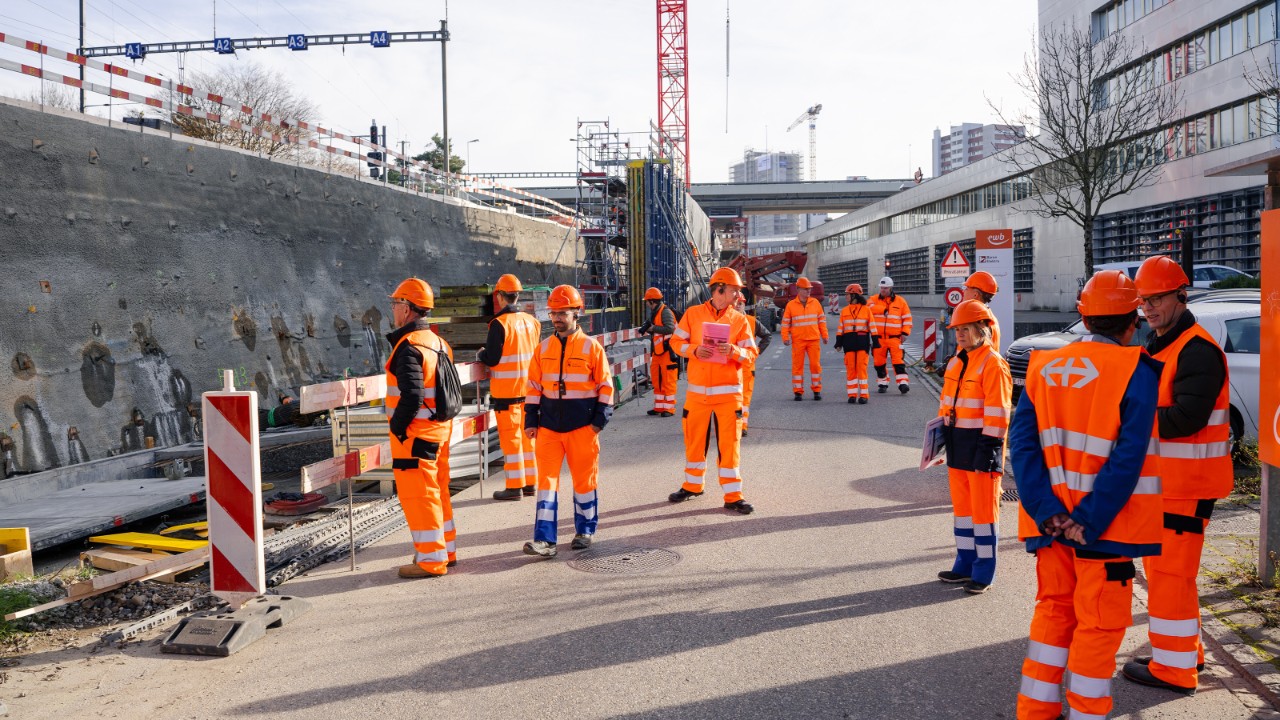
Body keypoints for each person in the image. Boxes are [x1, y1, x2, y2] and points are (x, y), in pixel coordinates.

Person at [1011, 270, 1163, 720]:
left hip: (1051, 529)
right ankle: (1087, 714)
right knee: (1098, 624)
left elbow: (1022, 447)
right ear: (1130, 322)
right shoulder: (1136, 370)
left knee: (1054, 613)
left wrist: (1048, 512)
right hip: (1105, 532)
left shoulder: (1043, 365)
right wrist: (1088, 519)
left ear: (1084, 318)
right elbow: (1128, 458)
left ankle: (1035, 710)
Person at [1121, 256, 1233, 696]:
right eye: (1143, 300)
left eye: (1156, 299)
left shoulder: (1198, 350)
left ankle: (1173, 670)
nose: (1147, 308)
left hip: (1186, 489)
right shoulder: (1161, 343)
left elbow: (1186, 417)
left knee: (1169, 578)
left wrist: (1130, 416)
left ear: (1180, 295)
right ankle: (1187, 653)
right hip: (1168, 487)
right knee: (1172, 576)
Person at [522, 285, 614, 558]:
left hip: (583, 429)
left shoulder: (591, 348)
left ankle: (584, 531)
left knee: (584, 482)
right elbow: (534, 387)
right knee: (546, 484)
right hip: (549, 429)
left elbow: (606, 387)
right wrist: (530, 420)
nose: (557, 318)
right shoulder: (543, 349)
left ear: (577, 313)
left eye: (562, 313)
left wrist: (598, 422)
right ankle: (545, 541)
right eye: (553, 313)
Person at [667, 267, 759, 514]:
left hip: (728, 396)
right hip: (698, 396)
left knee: (730, 446)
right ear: (719, 289)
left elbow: (752, 354)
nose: (738, 296)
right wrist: (695, 350)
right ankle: (692, 486)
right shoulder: (693, 314)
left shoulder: (739, 320)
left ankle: (733, 495)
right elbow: (675, 342)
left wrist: (735, 351)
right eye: (734, 290)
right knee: (694, 442)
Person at [936, 300, 1012, 594]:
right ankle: (964, 564)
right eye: (957, 329)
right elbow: (946, 404)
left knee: (983, 515)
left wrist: (989, 451)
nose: (960, 334)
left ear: (983, 329)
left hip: (981, 448)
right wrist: (940, 440)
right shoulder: (956, 362)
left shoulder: (993, 364)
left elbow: (998, 412)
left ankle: (983, 571)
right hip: (958, 447)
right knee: (964, 512)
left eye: (966, 329)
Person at [385, 277, 458, 579]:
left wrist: (399, 429)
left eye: (395, 303)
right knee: (438, 493)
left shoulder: (409, 347)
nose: (392, 309)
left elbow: (412, 395)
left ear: (408, 308)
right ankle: (446, 553)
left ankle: (430, 561)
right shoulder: (439, 343)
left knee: (420, 497)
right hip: (438, 432)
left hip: (414, 436)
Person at [477, 274, 542, 501]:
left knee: (511, 440)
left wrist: (481, 354)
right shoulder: (532, 322)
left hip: (508, 393)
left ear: (500, 296)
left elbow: (492, 358)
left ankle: (514, 487)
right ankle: (531, 484)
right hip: (530, 392)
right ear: (518, 295)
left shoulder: (499, 324)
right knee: (528, 439)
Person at [781, 277, 828, 400]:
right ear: (798, 290)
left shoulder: (815, 303)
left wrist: (825, 335)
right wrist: (785, 337)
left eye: (809, 289)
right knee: (797, 366)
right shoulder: (791, 305)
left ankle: (817, 390)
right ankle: (798, 391)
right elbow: (785, 323)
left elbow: (821, 321)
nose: (808, 291)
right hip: (798, 340)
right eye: (806, 289)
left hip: (813, 340)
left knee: (815, 366)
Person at [869, 276, 913, 394]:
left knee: (898, 362)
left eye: (885, 288)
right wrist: (883, 309)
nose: (883, 290)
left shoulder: (900, 301)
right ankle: (883, 383)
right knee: (879, 363)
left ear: (891, 288)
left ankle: (903, 383)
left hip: (895, 338)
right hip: (879, 339)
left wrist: (905, 333)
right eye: (881, 288)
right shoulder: (873, 299)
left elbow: (907, 319)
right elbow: (868, 309)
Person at [735, 295, 771, 436]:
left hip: (747, 367)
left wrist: (757, 352)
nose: (737, 305)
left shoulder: (752, 321)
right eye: (736, 303)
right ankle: (732, 424)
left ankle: (742, 426)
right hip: (729, 367)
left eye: (740, 303)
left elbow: (767, 336)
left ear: (744, 305)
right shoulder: (726, 321)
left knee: (744, 398)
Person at [640, 287, 679, 417]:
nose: (646, 303)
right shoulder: (656, 312)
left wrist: (653, 328)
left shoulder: (665, 312)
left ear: (652, 301)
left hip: (667, 352)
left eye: (647, 301)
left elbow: (670, 328)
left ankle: (669, 409)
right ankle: (659, 407)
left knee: (668, 381)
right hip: (658, 352)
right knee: (657, 380)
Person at [836, 283, 873, 404]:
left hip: (862, 343)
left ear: (854, 295)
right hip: (849, 343)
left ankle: (863, 395)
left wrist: (876, 342)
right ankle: (852, 395)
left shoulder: (866, 310)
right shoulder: (845, 311)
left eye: (847, 294)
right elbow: (841, 328)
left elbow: (872, 327)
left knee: (861, 368)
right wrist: (838, 343)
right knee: (851, 369)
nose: (846, 297)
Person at [961, 270, 1001, 351]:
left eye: (967, 289)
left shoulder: (976, 319)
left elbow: (969, 355)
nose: (963, 291)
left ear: (975, 294)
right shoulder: (989, 317)